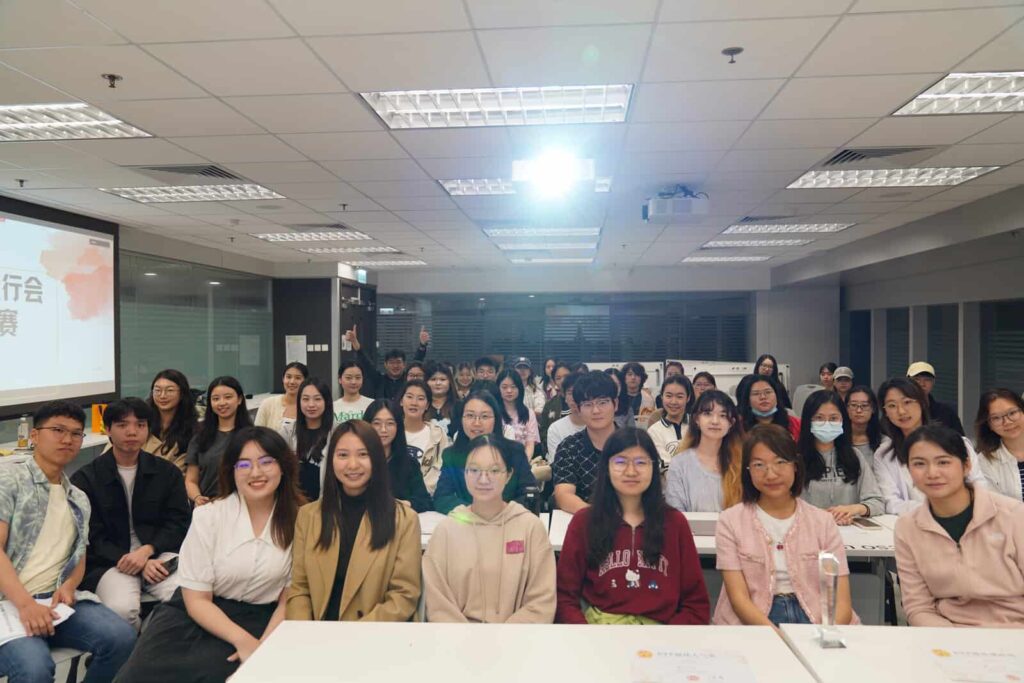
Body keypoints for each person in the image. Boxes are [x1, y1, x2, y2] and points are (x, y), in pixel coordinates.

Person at [114, 427, 303, 683]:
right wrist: (244, 641)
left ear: (283, 466)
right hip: (195, 615)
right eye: (244, 464)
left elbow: (288, 599)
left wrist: (263, 647)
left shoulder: (302, 521)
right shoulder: (209, 516)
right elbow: (197, 600)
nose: (256, 472)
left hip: (261, 619)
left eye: (266, 462)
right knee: (138, 675)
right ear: (232, 471)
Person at [0, 401, 136, 683]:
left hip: (56, 600)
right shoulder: (9, 481)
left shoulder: (78, 497)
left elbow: (79, 554)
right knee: (34, 669)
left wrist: (70, 586)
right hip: (9, 603)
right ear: (34, 436)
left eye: (76, 433)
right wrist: (26, 604)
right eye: (58, 430)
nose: (68, 439)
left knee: (122, 638)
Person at [555, 428, 709, 625]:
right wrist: (586, 638)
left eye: (641, 462)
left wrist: (669, 640)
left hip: (662, 636)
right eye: (620, 462)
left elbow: (696, 604)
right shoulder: (584, 522)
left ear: (654, 467)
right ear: (606, 467)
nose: (631, 471)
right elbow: (564, 597)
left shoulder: (674, 523)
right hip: (599, 634)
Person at [714, 425, 857, 626]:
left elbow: (840, 599)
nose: (770, 474)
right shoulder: (730, 521)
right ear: (748, 471)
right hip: (755, 618)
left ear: (795, 465)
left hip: (815, 616)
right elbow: (739, 600)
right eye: (759, 465)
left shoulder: (822, 522)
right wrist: (777, 638)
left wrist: (826, 636)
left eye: (780, 462)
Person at [71, 398, 190, 630]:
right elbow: (90, 536)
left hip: (158, 555)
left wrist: (147, 552)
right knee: (121, 612)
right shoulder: (86, 478)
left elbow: (178, 522)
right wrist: (131, 560)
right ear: (108, 430)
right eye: (123, 425)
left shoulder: (167, 472)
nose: (132, 431)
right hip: (109, 562)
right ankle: (131, 658)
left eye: (140, 424)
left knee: (190, 598)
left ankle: (152, 646)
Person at [286, 420, 421, 622]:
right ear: (331, 460)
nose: (352, 465)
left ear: (377, 459)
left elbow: (404, 596)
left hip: (373, 636)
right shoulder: (308, 516)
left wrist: (353, 636)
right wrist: (305, 632)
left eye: (363, 454)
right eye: (342, 455)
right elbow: (299, 588)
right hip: (316, 638)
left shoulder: (403, 520)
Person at [894, 424, 1024, 627]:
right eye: (919, 464)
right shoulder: (908, 528)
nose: (932, 473)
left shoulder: (1014, 515)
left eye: (943, 462)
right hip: (949, 635)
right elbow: (918, 606)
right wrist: (954, 642)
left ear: (966, 466)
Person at [423, 435, 555, 623]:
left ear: (509, 474)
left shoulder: (530, 528)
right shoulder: (446, 531)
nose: (483, 479)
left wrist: (503, 640)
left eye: (494, 470)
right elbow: (437, 602)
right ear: (464, 473)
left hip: (517, 641)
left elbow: (541, 601)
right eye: (474, 470)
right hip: (457, 642)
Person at [873, 378, 986, 515]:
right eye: (892, 405)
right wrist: (933, 511)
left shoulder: (956, 443)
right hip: (915, 525)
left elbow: (979, 487)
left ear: (922, 403)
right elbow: (890, 502)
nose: (901, 411)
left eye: (907, 402)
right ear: (885, 412)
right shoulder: (884, 455)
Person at [433, 392, 538, 515]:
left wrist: (500, 513)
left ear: (496, 419)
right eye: (470, 415)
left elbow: (529, 493)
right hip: (468, 523)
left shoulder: (515, 452)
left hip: (508, 522)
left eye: (484, 416)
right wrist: (474, 513)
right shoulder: (451, 455)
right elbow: (442, 497)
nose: (477, 423)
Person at [797, 391, 884, 524]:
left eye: (833, 418)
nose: (827, 423)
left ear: (843, 420)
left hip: (851, 535)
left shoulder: (855, 456)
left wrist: (853, 509)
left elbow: (877, 502)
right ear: (808, 421)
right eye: (819, 418)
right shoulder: (795, 459)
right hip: (808, 531)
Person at [666, 390, 744, 513]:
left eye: (723, 415)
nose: (715, 421)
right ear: (697, 419)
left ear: (732, 423)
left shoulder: (743, 462)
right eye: (707, 413)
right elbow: (676, 514)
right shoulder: (680, 463)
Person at [553, 371, 621, 513]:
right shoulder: (568, 447)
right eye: (588, 404)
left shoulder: (635, 444)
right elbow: (564, 494)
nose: (596, 410)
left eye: (603, 402)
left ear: (615, 404)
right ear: (578, 409)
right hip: (586, 522)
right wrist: (598, 517)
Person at [186, 376, 252, 505]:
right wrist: (197, 497)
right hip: (208, 506)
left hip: (244, 506)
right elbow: (191, 480)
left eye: (228, 397)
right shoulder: (200, 436)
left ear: (239, 399)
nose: (221, 403)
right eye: (215, 399)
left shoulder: (251, 436)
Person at [364, 400, 433, 512]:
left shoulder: (409, 463)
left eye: (390, 423)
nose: (383, 429)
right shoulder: (358, 461)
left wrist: (405, 504)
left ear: (398, 426)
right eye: (376, 423)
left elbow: (425, 502)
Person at [345, 324, 430, 400]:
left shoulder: (408, 379)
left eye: (398, 362)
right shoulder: (379, 380)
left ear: (404, 364)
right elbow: (367, 364)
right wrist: (355, 343)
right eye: (392, 363)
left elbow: (416, 362)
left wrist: (422, 345)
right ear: (385, 365)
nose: (395, 366)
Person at [283, 378, 334, 501]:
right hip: (294, 504)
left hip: (325, 504)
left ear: (326, 402)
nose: (311, 405)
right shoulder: (287, 431)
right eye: (305, 399)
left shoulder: (337, 432)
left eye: (317, 399)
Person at [399, 379, 448, 495]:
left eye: (420, 399)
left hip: (427, 496)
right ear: (401, 401)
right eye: (409, 397)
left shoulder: (438, 435)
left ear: (427, 405)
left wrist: (420, 493)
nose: (414, 403)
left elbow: (440, 469)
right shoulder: (391, 431)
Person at [973, 389, 1024, 501]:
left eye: (1012, 413)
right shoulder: (984, 462)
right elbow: (995, 506)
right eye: (996, 418)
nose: (1007, 422)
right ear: (989, 425)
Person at [146, 369, 197, 473]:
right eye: (157, 390)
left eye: (169, 390)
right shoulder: (143, 423)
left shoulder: (192, 430)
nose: (162, 396)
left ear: (182, 393)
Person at [907, 361, 965, 436]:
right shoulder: (901, 411)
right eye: (916, 379)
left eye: (927, 379)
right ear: (908, 381)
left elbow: (960, 440)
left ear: (933, 382)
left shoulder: (946, 412)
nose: (922, 384)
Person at [737, 374, 801, 441]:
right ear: (748, 400)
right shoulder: (738, 427)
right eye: (756, 393)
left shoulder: (796, 424)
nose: (763, 397)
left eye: (768, 392)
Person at [646, 376, 693, 465]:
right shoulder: (654, 431)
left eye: (679, 397)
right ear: (661, 396)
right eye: (668, 396)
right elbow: (664, 465)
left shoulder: (697, 426)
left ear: (688, 398)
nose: (673, 402)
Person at [254, 362, 308, 435]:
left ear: (305, 381)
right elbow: (257, 434)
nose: (292, 382)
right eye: (288, 377)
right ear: (283, 379)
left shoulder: (309, 406)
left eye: (298, 378)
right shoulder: (268, 404)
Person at [497, 369, 540, 460]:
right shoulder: (494, 412)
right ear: (498, 389)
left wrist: (522, 463)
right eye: (504, 387)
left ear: (520, 388)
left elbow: (529, 444)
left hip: (522, 461)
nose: (509, 391)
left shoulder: (529, 413)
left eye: (513, 387)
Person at [546, 373, 586, 460]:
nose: (574, 397)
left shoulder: (598, 425)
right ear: (565, 397)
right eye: (570, 393)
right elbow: (556, 464)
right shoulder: (556, 429)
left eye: (578, 392)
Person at [539, 362, 573, 448]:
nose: (563, 380)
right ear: (554, 382)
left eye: (566, 376)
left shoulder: (583, 401)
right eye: (558, 378)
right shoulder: (549, 405)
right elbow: (543, 432)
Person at [845, 386, 882, 461]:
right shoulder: (838, 439)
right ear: (847, 408)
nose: (858, 410)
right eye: (853, 405)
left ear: (873, 409)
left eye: (864, 405)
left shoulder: (884, 442)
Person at [424, 362, 458, 436]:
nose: (438, 383)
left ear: (450, 382)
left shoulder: (459, 406)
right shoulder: (421, 406)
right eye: (433, 379)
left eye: (443, 379)